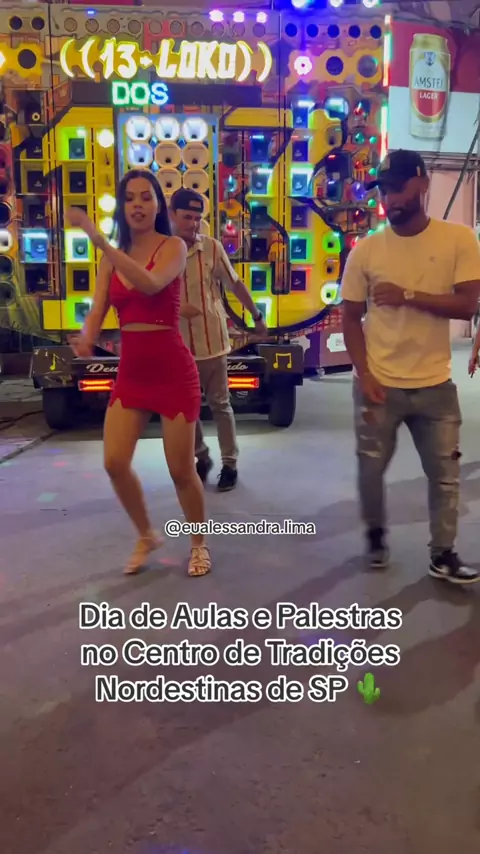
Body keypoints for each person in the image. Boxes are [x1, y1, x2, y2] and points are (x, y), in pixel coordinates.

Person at [341, 149, 480, 584]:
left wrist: (408, 296)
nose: (390, 199)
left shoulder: (458, 240)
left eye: (398, 188)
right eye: (383, 191)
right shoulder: (366, 251)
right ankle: (375, 535)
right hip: (379, 384)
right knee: (371, 468)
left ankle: (443, 553)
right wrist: (364, 374)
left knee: (445, 475)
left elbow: (467, 304)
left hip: (436, 384)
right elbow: (349, 316)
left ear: (421, 184)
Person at [67, 170, 211, 577]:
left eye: (146, 197)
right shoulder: (112, 258)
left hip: (173, 370)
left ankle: (199, 543)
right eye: (129, 198)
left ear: (158, 205)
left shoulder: (173, 247)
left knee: (181, 470)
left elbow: (149, 284)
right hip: (132, 372)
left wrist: (99, 241)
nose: (137, 205)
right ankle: (146, 534)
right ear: (122, 205)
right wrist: (86, 337)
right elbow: (98, 309)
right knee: (114, 462)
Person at [169, 188, 268, 491]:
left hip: (213, 343)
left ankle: (230, 464)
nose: (192, 224)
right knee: (186, 410)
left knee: (221, 405)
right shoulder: (162, 251)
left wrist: (256, 316)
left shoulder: (211, 248)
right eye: (187, 217)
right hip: (179, 348)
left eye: (197, 218)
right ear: (172, 215)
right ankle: (201, 456)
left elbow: (235, 284)